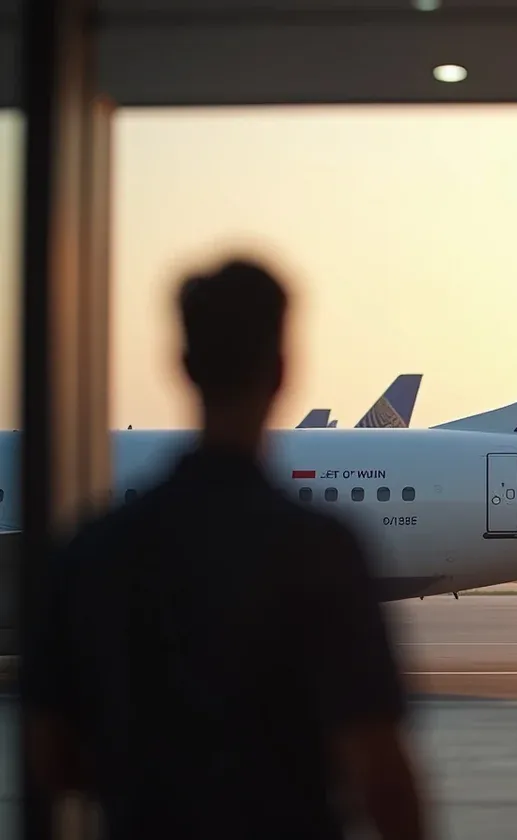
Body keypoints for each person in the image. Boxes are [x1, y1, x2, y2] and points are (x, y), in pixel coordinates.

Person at [24, 258, 426, 840]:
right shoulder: (322, 551)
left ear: (182, 366)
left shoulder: (97, 549)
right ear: (282, 371)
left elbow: (51, 755)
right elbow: (381, 765)